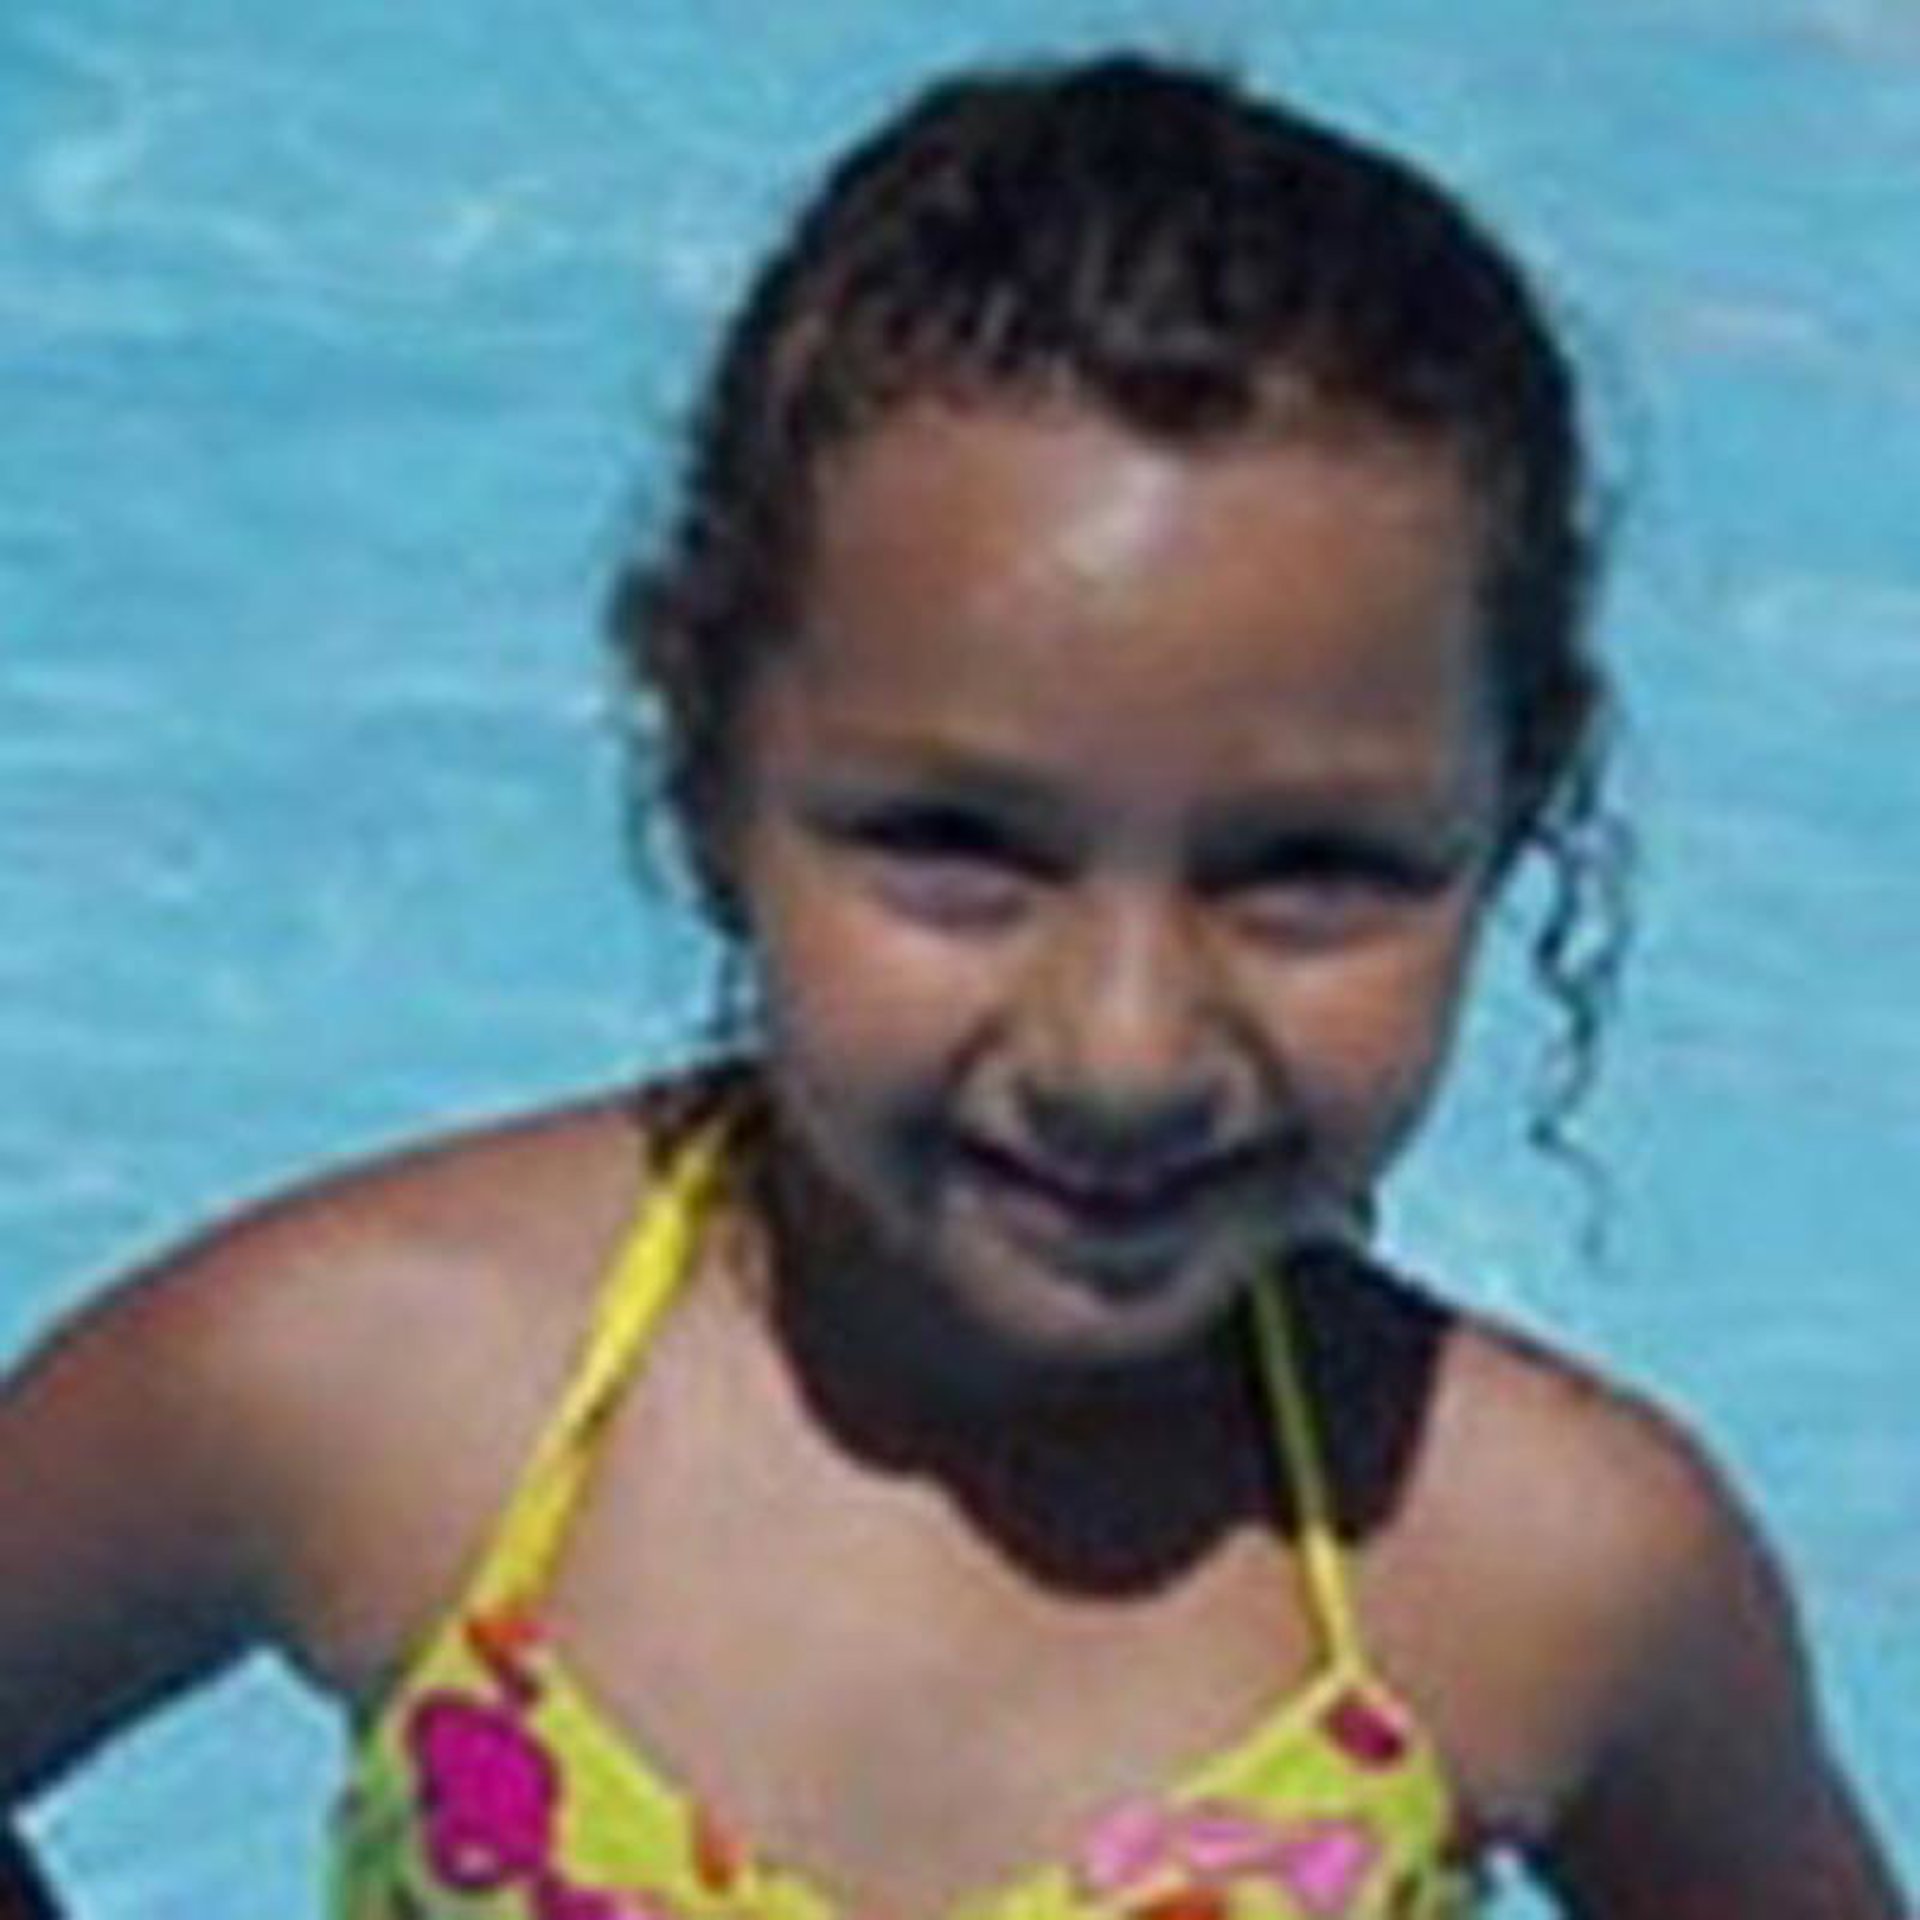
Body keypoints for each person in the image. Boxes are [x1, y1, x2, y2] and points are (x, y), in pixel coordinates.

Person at [0, 51, 1903, 1920]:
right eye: (956, 843)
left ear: (1511, 815)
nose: (1123, 1049)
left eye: (1310, 870)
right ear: (704, 766)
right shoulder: (359, 1386)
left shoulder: (1542, 1573)